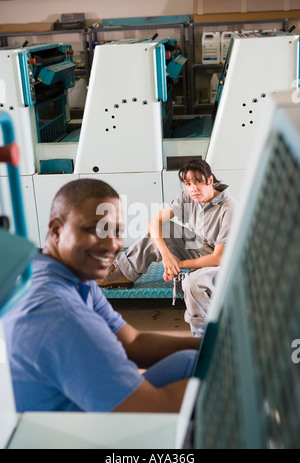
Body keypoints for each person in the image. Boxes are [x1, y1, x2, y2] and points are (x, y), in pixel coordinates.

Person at [2, 178, 199, 414]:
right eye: (95, 230)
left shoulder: (70, 277)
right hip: (68, 434)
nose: (112, 244)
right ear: (56, 230)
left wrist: (216, 343)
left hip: (82, 407)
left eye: (117, 232)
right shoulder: (59, 314)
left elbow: (131, 343)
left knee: (191, 361)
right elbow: (152, 408)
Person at [98, 158, 237, 337]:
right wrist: (166, 256)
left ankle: (203, 340)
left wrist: (178, 265)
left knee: (192, 283)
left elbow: (218, 258)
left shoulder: (228, 207)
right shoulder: (189, 197)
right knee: (164, 229)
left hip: (225, 261)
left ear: (210, 180)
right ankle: (122, 275)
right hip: (201, 247)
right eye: (188, 184)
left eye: (198, 183)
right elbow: (154, 222)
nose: (193, 189)